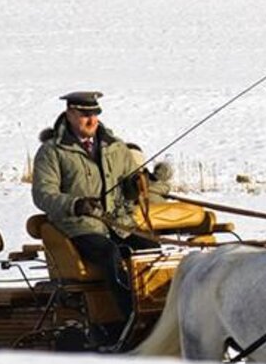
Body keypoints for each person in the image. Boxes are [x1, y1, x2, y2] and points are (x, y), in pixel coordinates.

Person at [30, 90, 171, 344]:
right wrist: (75, 204)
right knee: (109, 254)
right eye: (85, 115)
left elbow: (133, 183)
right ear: (70, 114)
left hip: (119, 224)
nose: (91, 120)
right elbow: (43, 194)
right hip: (79, 227)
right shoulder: (52, 152)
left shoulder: (116, 147)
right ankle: (130, 320)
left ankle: (159, 314)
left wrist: (140, 186)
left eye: (95, 114)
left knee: (151, 250)